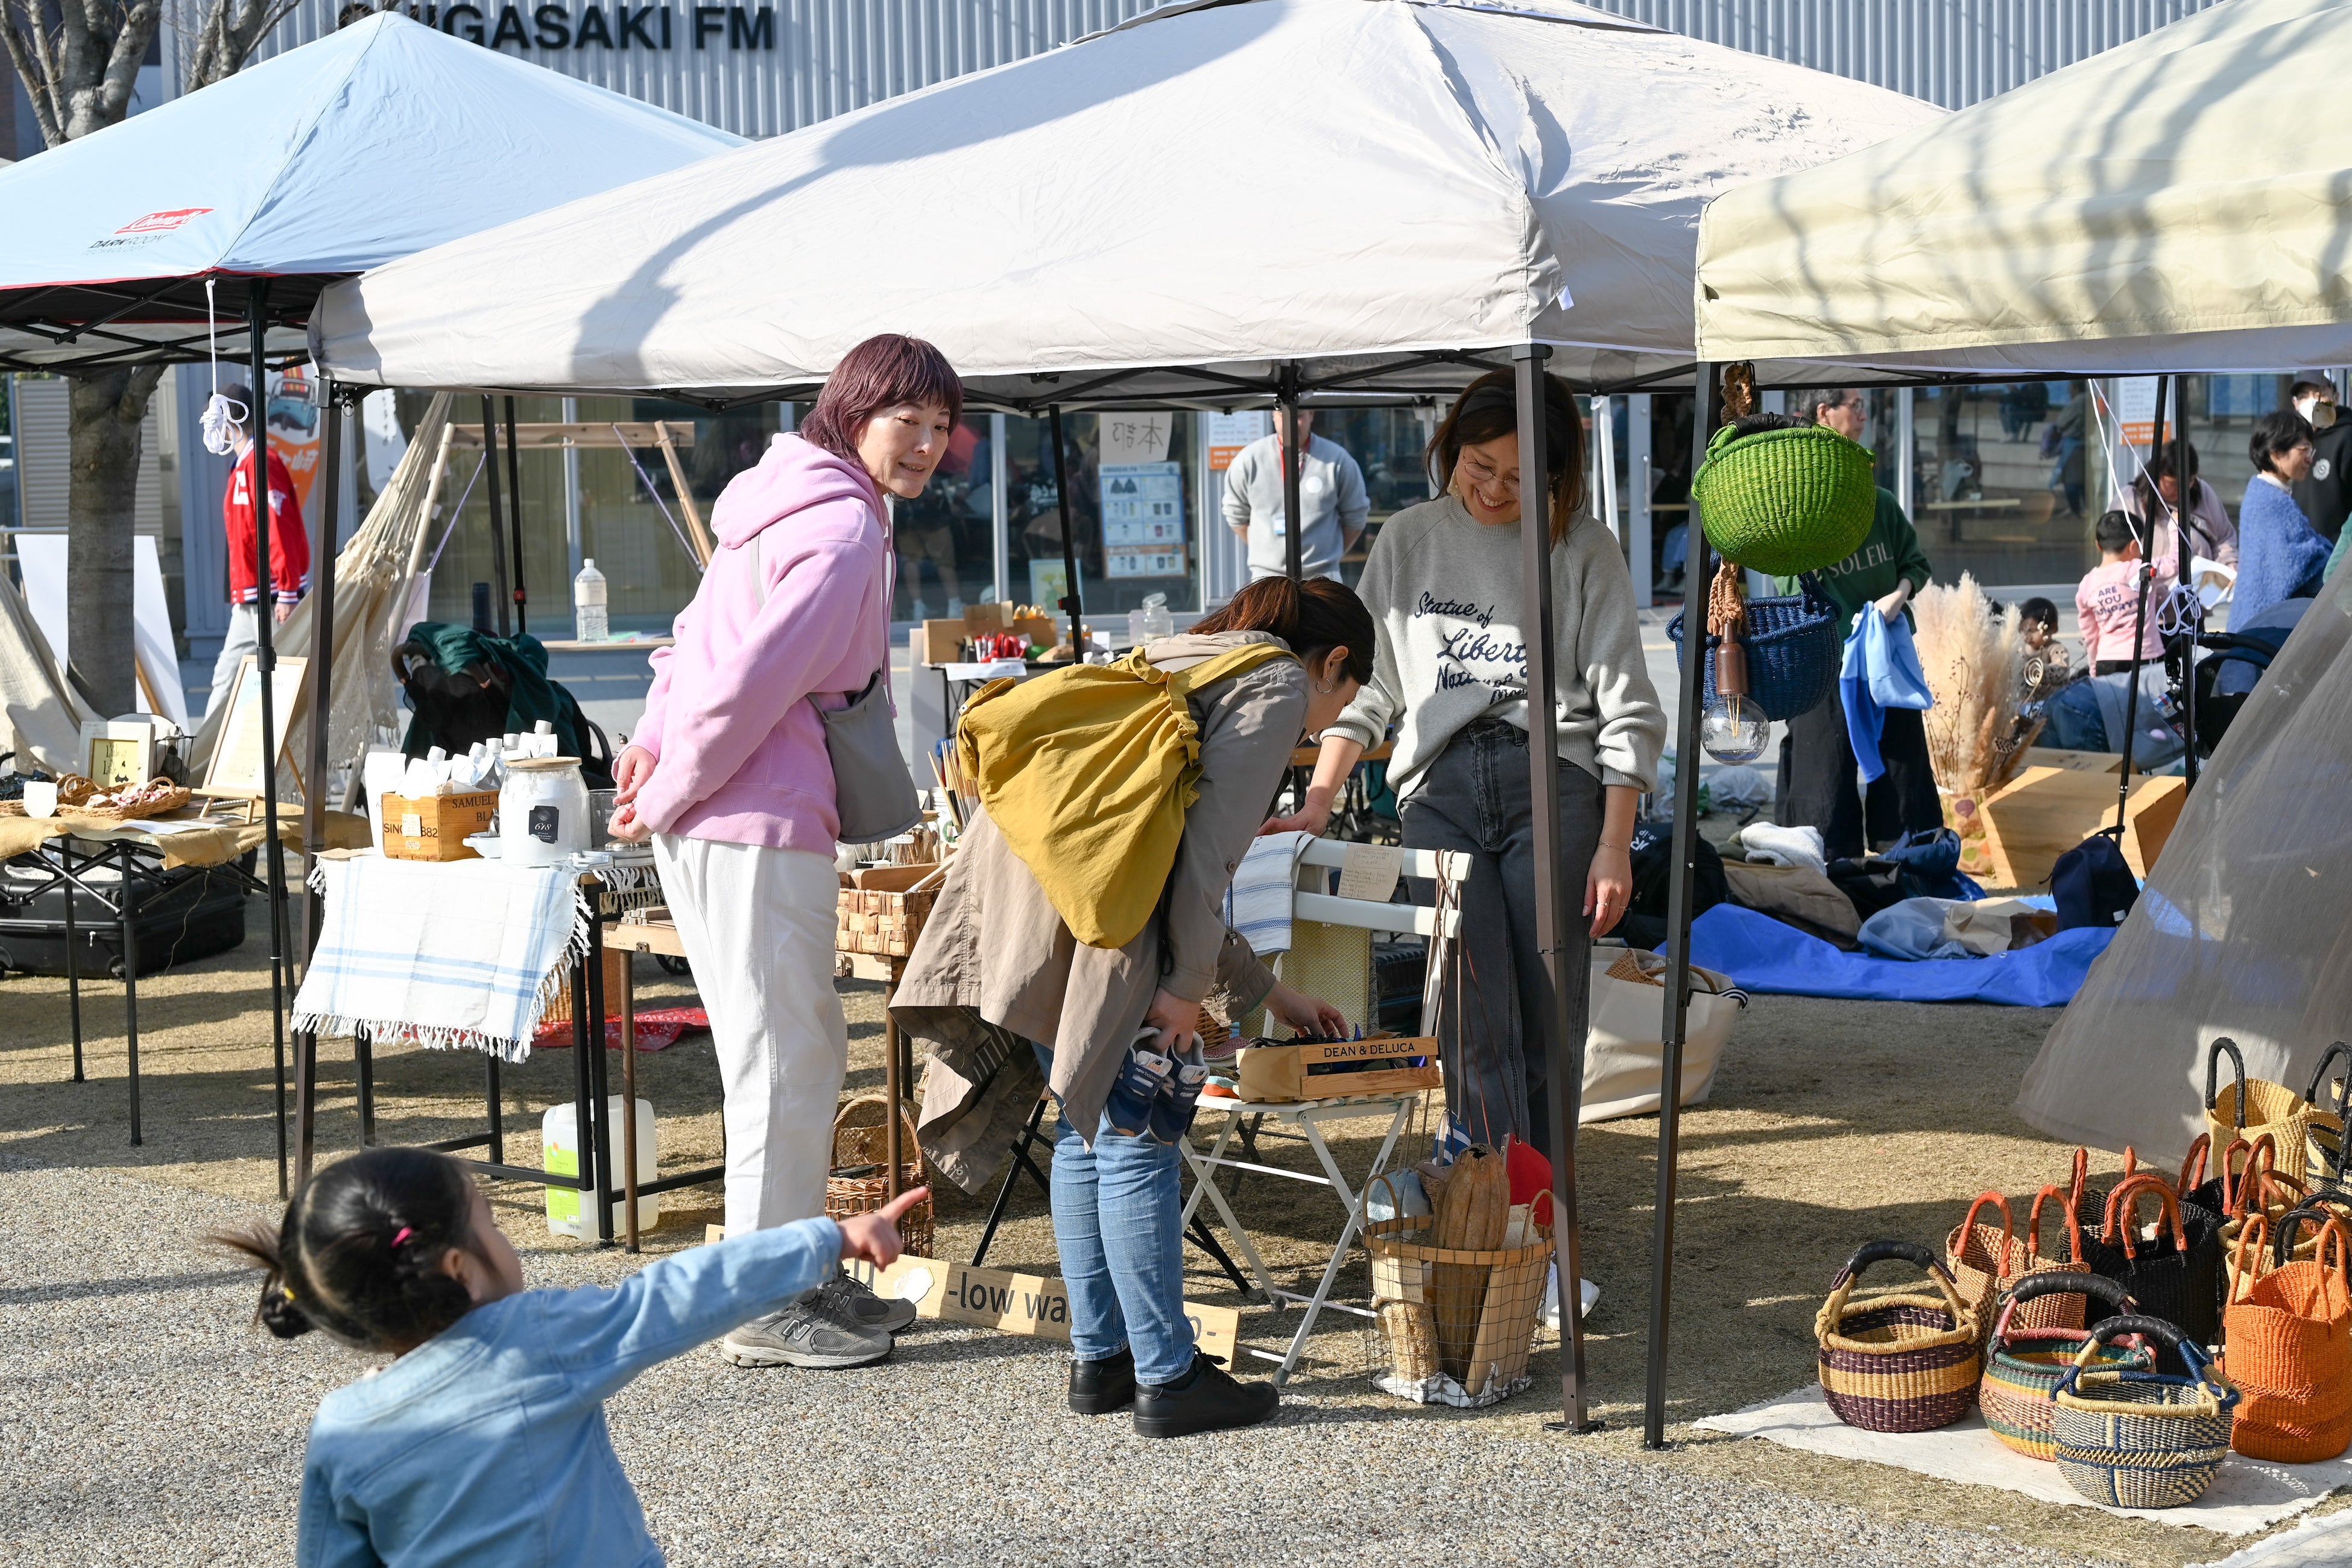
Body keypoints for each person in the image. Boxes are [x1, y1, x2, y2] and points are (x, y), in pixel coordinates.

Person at [894, 576, 1367, 1438]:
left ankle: (1102, 1359)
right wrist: (1185, 991)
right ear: (1332, 664)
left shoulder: (1182, 657)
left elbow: (1164, 845)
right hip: (1100, 919)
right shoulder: (1274, 684)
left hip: (1033, 905)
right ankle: (1169, 1374)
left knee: (1081, 1128)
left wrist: (1270, 993)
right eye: (1337, 705)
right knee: (1141, 1135)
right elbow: (1204, 864)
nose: (1318, 728)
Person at [608, 333, 961, 1370]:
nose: (929, 446)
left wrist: (650, 750)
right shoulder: (847, 526)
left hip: (729, 810)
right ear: (854, 413)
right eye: (911, 422)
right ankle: (766, 1300)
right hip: (749, 815)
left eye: (943, 429)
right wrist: (667, 780)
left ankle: (798, 1272)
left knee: (787, 1056)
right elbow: (750, 681)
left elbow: (688, 640)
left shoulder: (776, 499)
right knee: (786, 1062)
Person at [1270, 368, 1663, 1159]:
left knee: (1549, 1014)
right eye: (1479, 468)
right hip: (1440, 791)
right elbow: (1371, 687)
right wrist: (1319, 794)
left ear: (1558, 476)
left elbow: (1628, 704)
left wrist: (1616, 844)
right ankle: (1489, 1195)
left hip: (1554, 786)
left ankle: (1543, 1218)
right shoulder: (1410, 538)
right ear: (1451, 446)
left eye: (1521, 480)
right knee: (1468, 1012)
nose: (1493, 491)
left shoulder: (1584, 548)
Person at [218, 1145, 926, 1567]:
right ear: (462, 1266)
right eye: (493, 1223)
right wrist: (825, 1239)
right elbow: (678, 1294)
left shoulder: (342, 1427)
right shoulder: (536, 1338)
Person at [1766, 393, 1940, 861]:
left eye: (1866, 407)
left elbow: (1916, 563)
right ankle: (1824, 864)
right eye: (1855, 405)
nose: (1865, 415)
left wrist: (1897, 596)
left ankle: (1908, 857)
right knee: (1824, 771)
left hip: (1885, 657)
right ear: (1824, 413)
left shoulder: (1880, 504)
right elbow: (1786, 585)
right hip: (1821, 660)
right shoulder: (1797, 509)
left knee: (1902, 764)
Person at [204, 382, 309, 721]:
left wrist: (289, 590)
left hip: (271, 599)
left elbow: (279, 528)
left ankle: (327, 771)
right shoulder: (243, 465)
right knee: (225, 681)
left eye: (218, 419)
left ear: (235, 419)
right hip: (249, 602)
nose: (214, 428)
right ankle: (194, 762)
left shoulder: (261, 462)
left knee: (293, 687)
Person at [1222, 408, 1370, 581]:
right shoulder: (1249, 460)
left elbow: (1356, 516)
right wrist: (1267, 551)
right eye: (1282, 416)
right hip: (1266, 578)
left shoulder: (1337, 460)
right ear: (1273, 415)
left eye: (1298, 416)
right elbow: (1236, 516)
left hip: (1322, 577)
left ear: (1312, 416)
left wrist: (1329, 554)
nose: (1290, 423)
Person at [2234, 409, 2331, 628]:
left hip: (2254, 623)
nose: (2310, 459)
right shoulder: (2271, 501)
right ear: (2276, 454)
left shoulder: (2264, 493)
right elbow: (2295, 562)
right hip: (2267, 630)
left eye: (2311, 450)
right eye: (2304, 450)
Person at [2075, 510, 2175, 676]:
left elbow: (2090, 635)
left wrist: (2093, 667)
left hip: (2105, 661)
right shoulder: (2137, 569)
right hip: (2145, 656)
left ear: (2098, 545)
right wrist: (2175, 528)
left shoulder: (2086, 584)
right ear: (2134, 546)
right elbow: (2174, 563)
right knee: (2147, 703)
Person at [2125, 442, 2237, 571]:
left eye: (2188, 482)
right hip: (2150, 587)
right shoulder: (2130, 499)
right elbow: (2118, 554)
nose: (2181, 489)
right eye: (2173, 483)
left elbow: (2225, 539)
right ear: (2157, 475)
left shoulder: (2202, 491)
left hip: (2200, 585)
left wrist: (2228, 569)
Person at [2288, 379, 2352, 545]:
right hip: (2302, 550)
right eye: (2304, 396)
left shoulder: (2347, 437)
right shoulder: (2291, 441)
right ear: (2295, 403)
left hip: (2337, 555)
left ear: (2336, 398)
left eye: (2320, 394)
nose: (2312, 401)